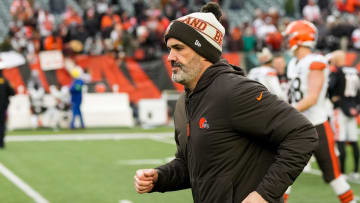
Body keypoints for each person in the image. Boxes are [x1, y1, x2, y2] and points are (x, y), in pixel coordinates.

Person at [134, 3, 319, 203]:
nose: (170, 57)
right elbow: (191, 166)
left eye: (178, 48)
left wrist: (264, 194)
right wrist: (160, 178)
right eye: (169, 49)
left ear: (202, 51)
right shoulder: (185, 102)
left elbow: (302, 134)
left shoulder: (235, 91)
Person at [285, 20, 356, 203]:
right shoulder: (294, 63)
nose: (287, 42)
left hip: (316, 127)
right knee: (282, 175)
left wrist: (284, 112)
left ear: (298, 38)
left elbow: (312, 98)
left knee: (334, 176)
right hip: (295, 127)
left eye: (290, 37)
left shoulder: (315, 61)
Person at [328, 50, 360, 180]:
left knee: (340, 139)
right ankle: (356, 171)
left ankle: (342, 172)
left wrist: (333, 97)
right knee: (353, 141)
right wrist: (355, 105)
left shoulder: (337, 71)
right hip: (352, 109)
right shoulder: (355, 71)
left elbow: (330, 86)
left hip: (340, 109)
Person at [0, 69, 15, 149]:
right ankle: (1, 143)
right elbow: (12, 92)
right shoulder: (5, 81)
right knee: (2, 125)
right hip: (2, 107)